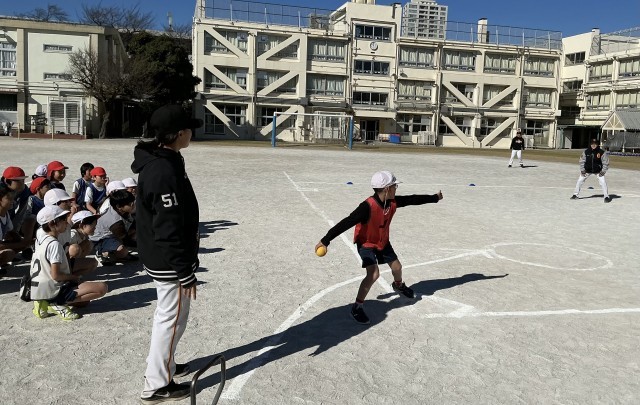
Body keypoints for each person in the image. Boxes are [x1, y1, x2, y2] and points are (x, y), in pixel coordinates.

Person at [132, 104, 202, 403]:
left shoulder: (167, 158)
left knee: (171, 318)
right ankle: (157, 384)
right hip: (168, 260)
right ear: (178, 134)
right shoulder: (162, 170)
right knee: (171, 320)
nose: (191, 133)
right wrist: (184, 271)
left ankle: (165, 366)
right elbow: (167, 228)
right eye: (189, 129)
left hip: (166, 256)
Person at [315, 171, 443, 325]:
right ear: (387, 189)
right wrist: (326, 240)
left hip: (382, 242)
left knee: (397, 267)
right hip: (366, 244)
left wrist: (434, 198)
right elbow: (347, 222)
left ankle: (398, 285)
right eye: (395, 186)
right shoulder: (367, 207)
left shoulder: (392, 202)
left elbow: (412, 199)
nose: (396, 188)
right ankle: (357, 307)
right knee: (374, 274)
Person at [30, 205, 107, 320]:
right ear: (52, 224)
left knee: (84, 302)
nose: (67, 223)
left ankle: (45, 301)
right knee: (102, 288)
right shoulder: (54, 244)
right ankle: (56, 303)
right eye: (63, 220)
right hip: (53, 288)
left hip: (39, 289)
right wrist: (73, 277)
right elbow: (55, 276)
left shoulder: (41, 239)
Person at [89, 189, 137, 265]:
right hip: (100, 239)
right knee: (122, 251)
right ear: (119, 206)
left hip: (113, 234)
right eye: (130, 204)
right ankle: (103, 253)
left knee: (136, 232)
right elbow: (124, 238)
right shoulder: (115, 221)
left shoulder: (120, 209)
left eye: (133, 202)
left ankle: (113, 252)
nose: (133, 205)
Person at [1, 166, 35, 260]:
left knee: (15, 238)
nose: (23, 184)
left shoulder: (24, 191)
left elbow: (21, 212)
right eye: (19, 181)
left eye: (23, 180)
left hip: (8, 219)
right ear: (7, 181)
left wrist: (14, 231)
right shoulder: (2, 192)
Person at [0, 183, 32, 274]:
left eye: (13, 199)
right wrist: (23, 243)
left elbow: (11, 232)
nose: (13, 201)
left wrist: (24, 241)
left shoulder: (5, 214)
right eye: (9, 199)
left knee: (18, 241)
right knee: (8, 253)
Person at [571, 138, 611, 203]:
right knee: (580, 180)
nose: (593, 145)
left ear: (597, 144)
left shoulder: (601, 152)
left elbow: (605, 163)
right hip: (587, 170)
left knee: (603, 182)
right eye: (592, 144)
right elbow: (582, 161)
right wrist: (582, 170)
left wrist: (603, 171)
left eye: (595, 144)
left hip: (598, 171)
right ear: (590, 144)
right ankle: (575, 195)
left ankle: (606, 197)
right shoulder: (586, 152)